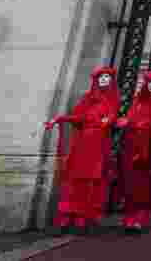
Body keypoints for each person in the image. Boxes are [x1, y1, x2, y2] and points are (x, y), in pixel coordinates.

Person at [44, 66, 120, 233]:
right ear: (96, 80)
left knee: (91, 181)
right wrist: (59, 118)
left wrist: (109, 121)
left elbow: (111, 118)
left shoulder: (114, 100)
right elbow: (78, 117)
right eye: (101, 77)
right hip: (82, 144)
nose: (104, 80)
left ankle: (83, 218)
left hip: (98, 144)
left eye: (107, 78)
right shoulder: (88, 98)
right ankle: (66, 217)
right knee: (74, 180)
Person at [115, 70, 151, 234]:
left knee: (147, 182)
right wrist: (126, 122)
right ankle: (130, 215)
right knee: (132, 180)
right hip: (133, 145)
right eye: (150, 82)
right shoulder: (138, 100)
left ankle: (141, 216)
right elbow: (131, 117)